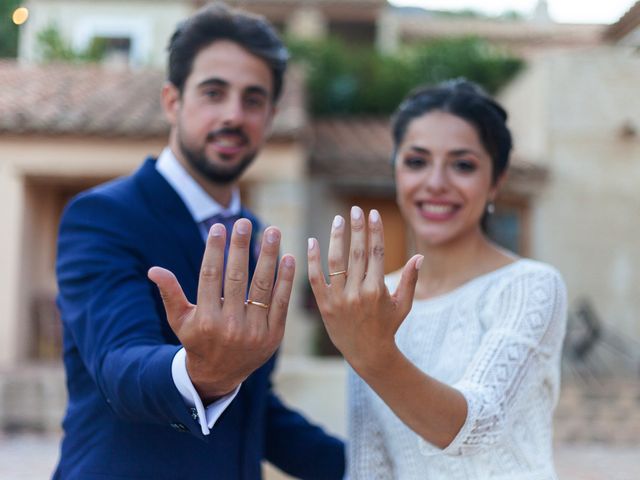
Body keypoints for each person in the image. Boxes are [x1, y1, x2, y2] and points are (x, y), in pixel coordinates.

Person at [54, 3, 344, 479]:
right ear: (173, 100)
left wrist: (369, 469)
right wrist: (200, 373)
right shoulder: (103, 215)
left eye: (253, 100)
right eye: (214, 93)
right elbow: (118, 365)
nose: (234, 114)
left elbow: (252, 409)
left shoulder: (250, 235)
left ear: (270, 115)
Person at [307, 79, 567, 479]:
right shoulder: (374, 301)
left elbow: (479, 425)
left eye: (463, 164)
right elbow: (369, 462)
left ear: (496, 181)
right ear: (395, 172)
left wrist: (373, 354)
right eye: (416, 161)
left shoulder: (530, 287)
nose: (436, 183)